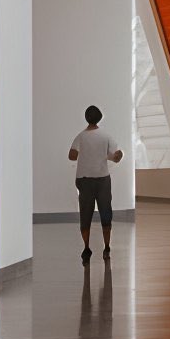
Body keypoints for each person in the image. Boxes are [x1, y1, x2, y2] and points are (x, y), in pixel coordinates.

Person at [67, 105, 123, 265]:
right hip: (103, 179)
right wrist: (118, 155)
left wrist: (82, 153)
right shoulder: (107, 136)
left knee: (85, 214)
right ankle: (106, 247)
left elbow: (71, 156)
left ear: (86, 118)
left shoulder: (80, 136)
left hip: (84, 180)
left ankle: (86, 248)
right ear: (100, 118)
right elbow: (115, 157)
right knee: (106, 212)